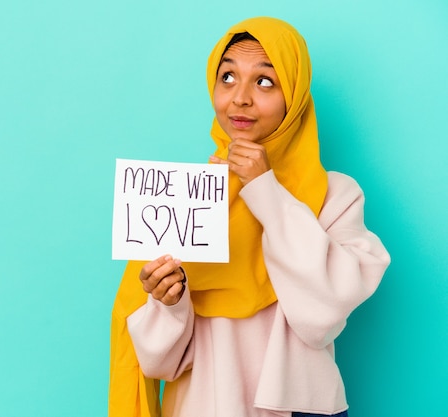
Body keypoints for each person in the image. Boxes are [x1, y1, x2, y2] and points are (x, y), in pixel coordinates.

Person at [108, 16, 390, 417]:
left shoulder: (336, 194)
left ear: (293, 95)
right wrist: (169, 303)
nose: (240, 98)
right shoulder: (182, 197)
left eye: (264, 81)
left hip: (302, 409)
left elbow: (322, 316)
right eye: (227, 77)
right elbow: (159, 364)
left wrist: (265, 190)